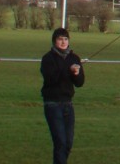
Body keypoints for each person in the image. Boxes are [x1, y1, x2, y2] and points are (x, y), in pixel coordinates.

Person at [40, 26, 85, 164]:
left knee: (68, 143)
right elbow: (50, 78)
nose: (63, 42)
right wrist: (68, 70)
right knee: (60, 142)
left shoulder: (74, 57)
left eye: (66, 39)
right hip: (52, 105)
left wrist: (76, 74)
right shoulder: (48, 58)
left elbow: (80, 83)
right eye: (60, 39)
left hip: (68, 105)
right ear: (54, 41)